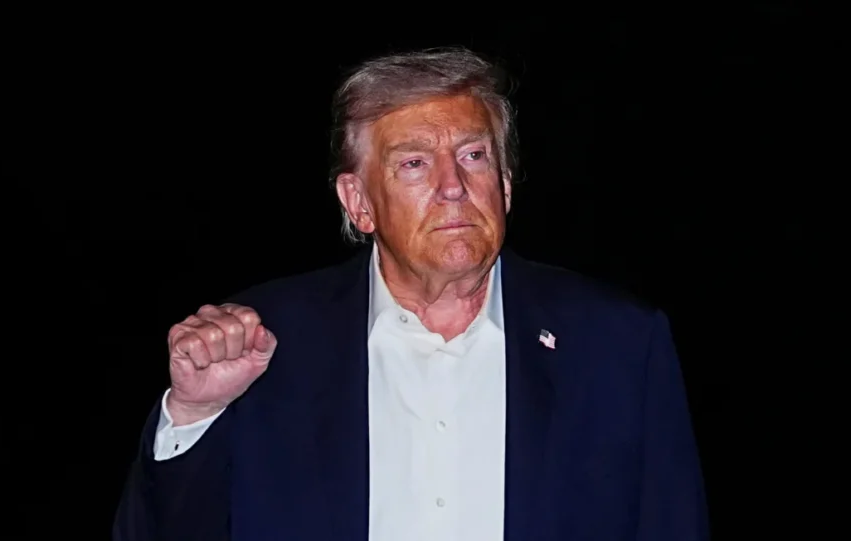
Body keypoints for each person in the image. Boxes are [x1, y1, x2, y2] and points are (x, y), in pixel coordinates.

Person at [113, 47, 708, 541]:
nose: (453, 186)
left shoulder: (618, 343)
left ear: (504, 185)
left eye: (473, 155)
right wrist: (194, 415)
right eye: (415, 163)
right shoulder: (264, 345)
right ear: (358, 203)